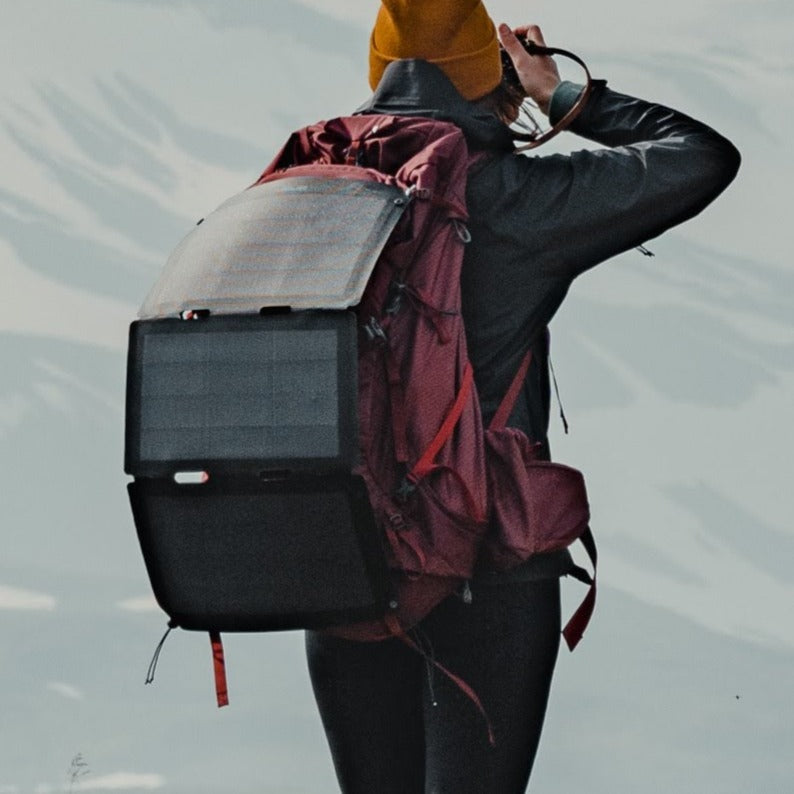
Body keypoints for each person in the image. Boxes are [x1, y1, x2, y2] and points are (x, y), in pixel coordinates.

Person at [305, 2, 740, 792]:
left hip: (347, 556)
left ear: (379, 71)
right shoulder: (513, 197)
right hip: (489, 557)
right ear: (485, 73)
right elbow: (699, 158)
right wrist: (559, 93)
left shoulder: (313, 191)